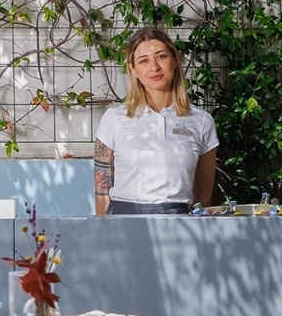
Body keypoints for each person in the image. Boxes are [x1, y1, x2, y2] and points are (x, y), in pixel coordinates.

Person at [93, 27, 218, 215]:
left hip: (179, 223)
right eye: (143, 61)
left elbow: (203, 195)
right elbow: (101, 192)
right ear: (133, 69)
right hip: (123, 222)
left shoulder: (201, 121)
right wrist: (107, 235)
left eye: (161, 56)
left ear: (175, 60)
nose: (154, 67)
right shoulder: (114, 118)